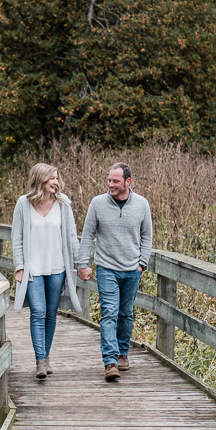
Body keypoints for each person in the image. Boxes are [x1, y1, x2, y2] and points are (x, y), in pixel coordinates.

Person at [78, 162, 153, 381]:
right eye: (109, 180)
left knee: (126, 313)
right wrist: (83, 264)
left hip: (132, 269)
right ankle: (109, 361)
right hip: (107, 268)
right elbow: (88, 234)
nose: (110, 184)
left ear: (127, 182)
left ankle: (122, 354)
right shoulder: (98, 203)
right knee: (109, 311)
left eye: (115, 181)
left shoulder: (141, 204)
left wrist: (142, 263)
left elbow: (147, 235)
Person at [11, 163, 85, 379]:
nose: (55, 182)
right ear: (40, 180)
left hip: (57, 268)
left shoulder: (64, 204)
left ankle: (46, 355)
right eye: (51, 178)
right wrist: (20, 267)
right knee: (38, 312)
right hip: (33, 269)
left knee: (51, 314)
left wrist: (81, 264)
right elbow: (17, 237)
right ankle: (40, 360)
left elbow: (72, 237)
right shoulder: (23, 204)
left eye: (56, 178)